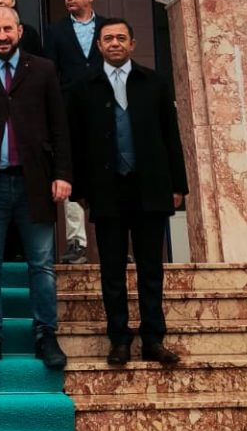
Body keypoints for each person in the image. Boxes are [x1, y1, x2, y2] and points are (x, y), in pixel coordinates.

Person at [0, 5, 73, 370]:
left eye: (8, 29)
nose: (2, 36)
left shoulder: (44, 69)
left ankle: (45, 335)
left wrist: (63, 174)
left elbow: (59, 126)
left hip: (35, 181)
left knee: (42, 266)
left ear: (20, 31)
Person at [68, 19, 187, 368]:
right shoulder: (83, 88)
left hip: (150, 188)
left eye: (121, 38)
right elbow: (76, 143)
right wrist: (80, 190)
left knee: (151, 269)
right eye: (108, 38)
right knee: (112, 271)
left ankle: (153, 339)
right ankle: (119, 339)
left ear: (133, 44)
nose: (115, 43)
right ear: (99, 46)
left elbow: (171, 136)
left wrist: (178, 185)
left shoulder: (155, 83)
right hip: (107, 190)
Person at [44, 0, 105, 264]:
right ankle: (77, 243)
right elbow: (50, 73)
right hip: (69, 112)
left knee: (108, 174)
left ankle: (115, 240)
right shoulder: (55, 31)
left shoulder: (108, 27)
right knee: (70, 174)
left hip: (105, 109)